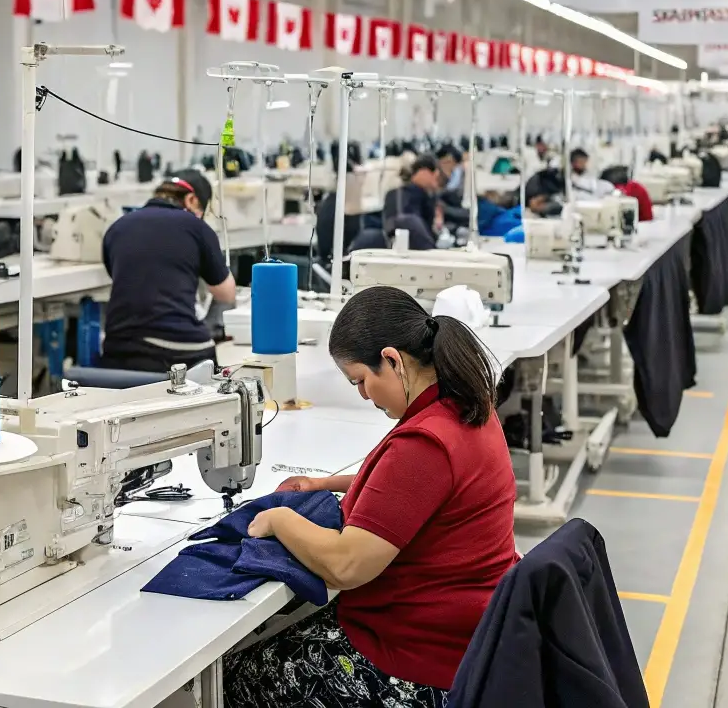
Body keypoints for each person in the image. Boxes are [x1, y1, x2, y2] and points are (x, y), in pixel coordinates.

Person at [222, 286, 519, 708]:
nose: (362, 395)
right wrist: (325, 485)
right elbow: (417, 489)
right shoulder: (467, 407)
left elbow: (347, 566)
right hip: (467, 635)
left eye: (362, 380)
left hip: (421, 661)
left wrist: (279, 520)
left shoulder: (424, 444)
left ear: (393, 360)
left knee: (233, 677)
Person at [100, 170, 235, 373]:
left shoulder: (116, 229)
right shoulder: (197, 228)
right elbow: (226, 294)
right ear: (190, 200)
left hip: (119, 353)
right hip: (179, 352)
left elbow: (126, 278)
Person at [383, 153, 443, 237]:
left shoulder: (395, 194)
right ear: (424, 172)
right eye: (435, 177)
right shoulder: (417, 196)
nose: (436, 184)